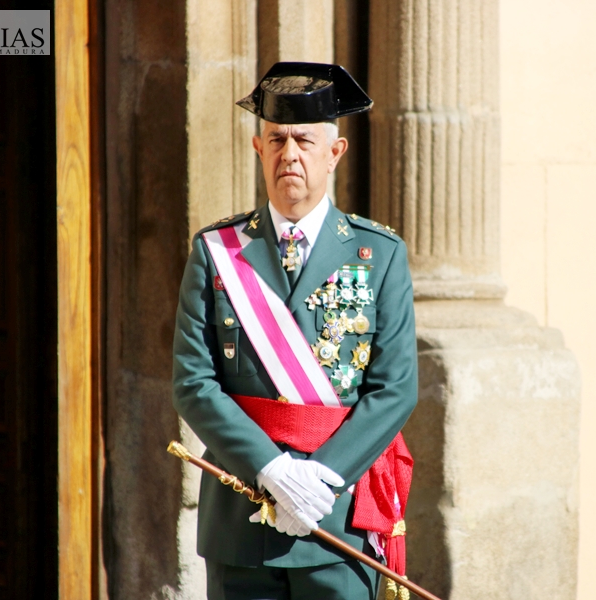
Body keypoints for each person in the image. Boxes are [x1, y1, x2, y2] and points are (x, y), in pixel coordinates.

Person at [172, 62, 418, 600]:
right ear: (258, 149)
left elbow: (395, 388)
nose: (290, 155)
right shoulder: (216, 252)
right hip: (241, 515)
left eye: (305, 141)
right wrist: (271, 470)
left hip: (338, 518)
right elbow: (193, 382)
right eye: (277, 140)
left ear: (335, 153)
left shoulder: (379, 255)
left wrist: (320, 479)